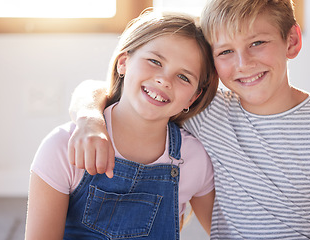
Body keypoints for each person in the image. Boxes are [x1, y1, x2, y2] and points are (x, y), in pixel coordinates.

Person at [67, 0, 310, 239]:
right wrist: (88, 118)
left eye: (257, 43)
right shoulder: (208, 111)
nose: (243, 63)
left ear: (291, 41)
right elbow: (104, 90)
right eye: (225, 52)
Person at [25, 10, 219, 240]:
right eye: (155, 61)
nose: (164, 80)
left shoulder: (194, 159)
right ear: (124, 63)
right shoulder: (62, 147)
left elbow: (225, 233)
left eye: (184, 77)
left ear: (193, 98)